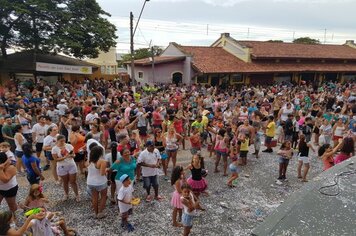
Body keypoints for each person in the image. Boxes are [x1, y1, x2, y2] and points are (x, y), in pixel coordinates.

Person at [51, 135, 79, 202]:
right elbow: (56, 159)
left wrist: (72, 155)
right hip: (62, 166)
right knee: (65, 182)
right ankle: (66, 194)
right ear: (57, 141)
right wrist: (65, 157)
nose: (63, 142)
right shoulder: (54, 149)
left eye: (64, 140)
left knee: (73, 181)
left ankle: (77, 195)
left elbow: (74, 155)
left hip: (71, 165)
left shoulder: (69, 146)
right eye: (61, 141)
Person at [87, 145, 108, 219]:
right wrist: (107, 169)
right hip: (100, 182)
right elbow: (102, 173)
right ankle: (100, 212)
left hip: (90, 182)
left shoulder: (89, 161)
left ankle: (95, 213)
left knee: (94, 197)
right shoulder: (102, 161)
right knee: (103, 196)